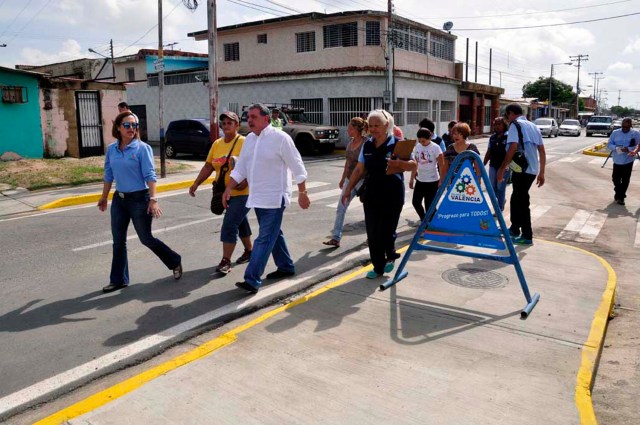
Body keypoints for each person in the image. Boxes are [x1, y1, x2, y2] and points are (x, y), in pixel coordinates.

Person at [223, 103, 310, 294]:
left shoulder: (281, 138)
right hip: (257, 197)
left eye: (254, 117)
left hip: (275, 197)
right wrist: (228, 187)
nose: (249, 120)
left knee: (263, 239)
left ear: (266, 119)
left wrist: (303, 193)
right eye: (248, 116)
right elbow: (241, 168)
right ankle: (286, 266)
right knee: (273, 234)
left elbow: (297, 166)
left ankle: (252, 279)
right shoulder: (249, 140)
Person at [98, 111, 182, 293]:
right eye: (127, 125)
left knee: (146, 238)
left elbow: (150, 176)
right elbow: (108, 175)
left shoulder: (142, 148)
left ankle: (174, 260)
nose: (131, 129)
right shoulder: (112, 149)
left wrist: (153, 199)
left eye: (134, 125)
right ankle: (119, 280)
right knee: (118, 241)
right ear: (118, 128)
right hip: (119, 200)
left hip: (139, 199)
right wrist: (104, 196)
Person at [343, 109, 417, 279]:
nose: (374, 129)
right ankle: (378, 267)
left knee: (386, 230)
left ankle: (390, 254)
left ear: (386, 125)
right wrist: (347, 190)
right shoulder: (367, 145)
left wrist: (398, 163)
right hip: (372, 194)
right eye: (371, 126)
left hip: (392, 194)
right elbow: (359, 169)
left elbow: (413, 165)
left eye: (378, 125)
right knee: (373, 232)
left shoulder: (399, 143)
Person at [188, 111, 253, 274]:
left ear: (237, 125)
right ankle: (250, 251)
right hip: (224, 192)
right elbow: (209, 166)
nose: (226, 126)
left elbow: (253, 166)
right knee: (240, 221)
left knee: (230, 224)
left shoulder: (245, 142)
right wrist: (196, 183)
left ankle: (226, 261)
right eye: (223, 123)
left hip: (242, 193)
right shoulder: (217, 144)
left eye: (230, 123)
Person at [497, 103, 546, 245]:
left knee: (522, 202)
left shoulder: (515, 125)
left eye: (507, 116)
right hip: (531, 170)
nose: (507, 119)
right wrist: (541, 172)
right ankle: (514, 229)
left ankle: (527, 235)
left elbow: (512, 147)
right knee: (516, 198)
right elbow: (542, 151)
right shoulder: (533, 126)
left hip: (522, 170)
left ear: (511, 113)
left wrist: (502, 169)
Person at [323, 117, 368, 248]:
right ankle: (336, 237)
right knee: (341, 208)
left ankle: (371, 238)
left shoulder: (366, 143)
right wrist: (343, 179)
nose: (348, 130)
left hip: (362, 181)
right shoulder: (350, 143)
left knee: (369, 211)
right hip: (350, 180)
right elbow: (348, 163)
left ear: (357, 129)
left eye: (350, 128)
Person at [410, 127, 444, 222]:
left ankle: (432, 223)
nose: (422, 143)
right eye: (420, 141)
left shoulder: (436, 148)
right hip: (420, 180)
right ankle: (424, 220)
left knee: (429, 205)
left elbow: (441, 165)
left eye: (423, 141)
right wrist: (412, 178)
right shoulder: (418, 147)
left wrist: (441, 180)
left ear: (430, 138)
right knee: (416, 202)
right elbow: (415, 163)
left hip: (432, 181)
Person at [607, 117, 640, 205]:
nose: (625, 128)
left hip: (628, 160)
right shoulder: (615, 133)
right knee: (615, 179)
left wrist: (629, 149)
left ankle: (621, 197)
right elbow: (609, 144)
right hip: (617, 160)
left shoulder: (635, 133)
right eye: (623, 126)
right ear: (621, 125)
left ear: (631, 126)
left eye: (627, 127)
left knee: (625, 179)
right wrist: (616, 148)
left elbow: (638, 145)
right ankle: (618, 191)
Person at [483, 117, 511, 212]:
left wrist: (505, 166)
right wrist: (483, 164)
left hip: (504, 167)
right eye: (495, 124)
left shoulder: (508, 137)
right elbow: (489, 151)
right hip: (493, 165)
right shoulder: (492, 138)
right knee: (492, 187)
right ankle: (501, 201)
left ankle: (499, 209)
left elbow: (510, 153)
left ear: (504, 125)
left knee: (500, 187)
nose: (497, 126)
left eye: (499, 124)